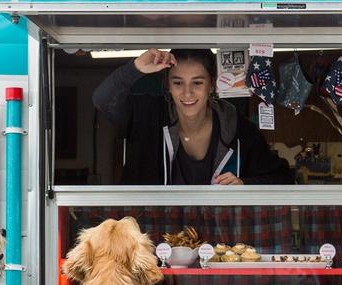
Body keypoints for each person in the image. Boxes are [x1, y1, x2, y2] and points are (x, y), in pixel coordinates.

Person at [94, 48, 294, 185]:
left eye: (197, 83)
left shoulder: (237, 127)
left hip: (218, 243)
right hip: (153, 239)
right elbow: (102, 100)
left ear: (211, 84)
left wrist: (245, 184)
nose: (187, 93)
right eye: (178, 83)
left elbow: (283, 177)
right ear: (168, 85)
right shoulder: (149, 115)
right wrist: (135, 68)